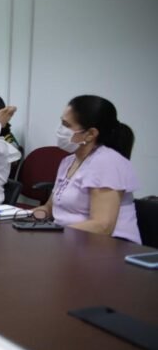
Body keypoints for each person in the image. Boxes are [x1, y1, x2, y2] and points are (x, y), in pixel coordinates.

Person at [33, 95, 140, 243]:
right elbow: (49, 208)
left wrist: (54, 234)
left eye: (66, 125)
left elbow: (102, 226)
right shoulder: (68, 161)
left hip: (111, 247)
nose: (60, 129)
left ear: (90, 134)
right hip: (70, 241)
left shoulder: (108, 163)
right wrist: (25, 216)